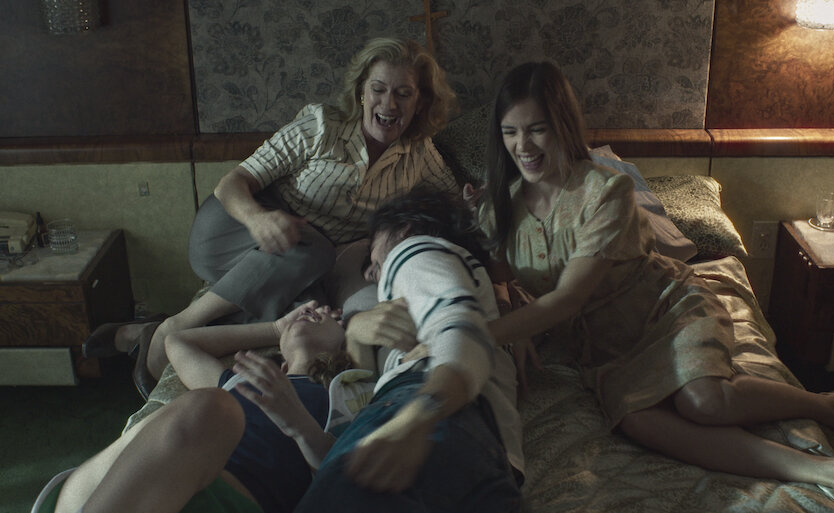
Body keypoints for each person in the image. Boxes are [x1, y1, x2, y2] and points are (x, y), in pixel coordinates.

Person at [476, 61, 834, 503]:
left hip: (663, 310)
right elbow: (499, 275)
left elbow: (568, 298)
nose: (523, 146)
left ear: (563, 127)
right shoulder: (500, 207)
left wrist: (475, 334)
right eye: (510, 132)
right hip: (603, 349)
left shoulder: (605, 191)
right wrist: (513, 318)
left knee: (703, 402)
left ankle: (831, 407)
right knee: (638, 421)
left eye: (537, 130)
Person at [82, 36, 459, 398]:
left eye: (403, 93)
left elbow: (455, 202)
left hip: (308, 261)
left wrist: (474, 202)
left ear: (419, 102)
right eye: (378, 89)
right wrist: (258, 219)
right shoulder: (321, 127)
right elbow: (232, 183)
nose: (389, 103)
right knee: (313, 250)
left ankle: (141, 333)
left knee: (316, 317)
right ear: (361, 92)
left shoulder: (419, 153)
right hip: (237, 229)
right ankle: (175, 326)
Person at [295, 189, 523, 512]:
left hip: (428, 410)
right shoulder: (476, 294)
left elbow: (459, 331)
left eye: (373, 256)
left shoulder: (414, 249)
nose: (370, 273)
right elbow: (363, 392)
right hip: (492, 456)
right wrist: (357, 332)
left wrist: (419, 416)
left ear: (403, 229)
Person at [42, 301, 352, 513]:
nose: (315, 310)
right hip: (121, 489)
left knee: (211, 408)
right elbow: (177, 342)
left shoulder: (348, 393)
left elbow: (349, 477)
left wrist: (300, 425)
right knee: (206, 409)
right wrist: (274, 328)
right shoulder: (241, 383)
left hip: (222, 499)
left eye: (330, 313)